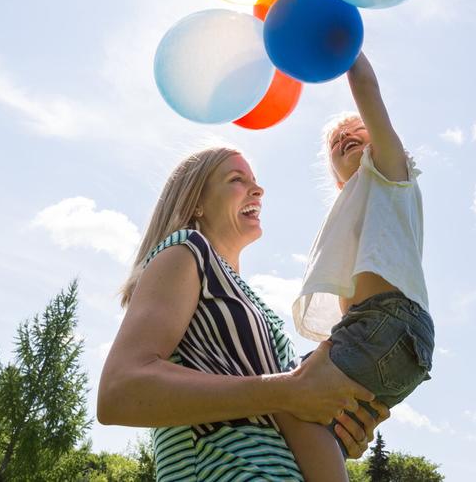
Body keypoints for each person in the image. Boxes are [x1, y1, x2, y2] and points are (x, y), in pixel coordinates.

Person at [97, 145, 390, 481]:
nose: (258, 189)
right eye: (237, 179)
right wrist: (287, 391)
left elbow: (283, 408)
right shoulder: (188, 249)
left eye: (256, 180)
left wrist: (336, 423)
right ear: (196, 203)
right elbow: (120, 390)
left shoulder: (252, 302)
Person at [279, 51, 435, 477]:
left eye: (356, 130)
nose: (344, 136)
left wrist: (344, 44)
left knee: (290, 398)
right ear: (333, 175)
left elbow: (366, 88)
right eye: (335, 141)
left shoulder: (390, 172)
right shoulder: (353, 206)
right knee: (315, 429)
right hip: (380, 337)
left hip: (387, 324)